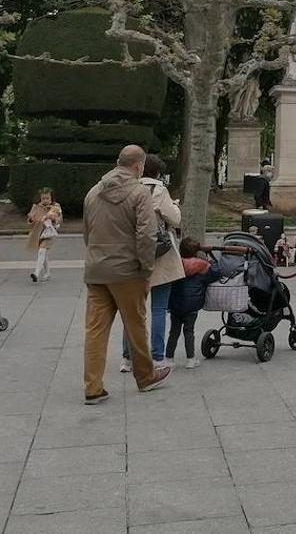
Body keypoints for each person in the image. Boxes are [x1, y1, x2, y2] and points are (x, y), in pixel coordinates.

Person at [81, 145, 172, 405]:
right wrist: (146, 268)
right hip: (128, 271)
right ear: (139, 166)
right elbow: (146, 236)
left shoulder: (93, 192)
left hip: (97, 270)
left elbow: (88, 233)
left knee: (95, 331)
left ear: (116, 162)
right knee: (135, 326)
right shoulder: (139, 193)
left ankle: (92, 387)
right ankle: (145, 377)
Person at [120, 155, 184, 373]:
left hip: (133, 252)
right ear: (158, 172)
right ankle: (157, 356)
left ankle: (127, 358)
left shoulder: (127, 188)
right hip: (159, 253)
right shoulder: (159, 190)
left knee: (133, 310)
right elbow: (174, 219)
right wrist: (175, 207)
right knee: (159, 308)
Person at [168, 237, 220, 368]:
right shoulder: (202, 266)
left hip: (175, 304)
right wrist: (211, 258)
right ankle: (190, 359)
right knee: (189, 331)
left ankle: (169, 359)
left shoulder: (175, 264)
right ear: (197, 251)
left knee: (174, 331)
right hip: (192, 305)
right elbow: (216, 273)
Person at [26, 188, 62, 282]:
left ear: (51, 198)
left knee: (42, 251)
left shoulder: (55, 206)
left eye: (47, 198)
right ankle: (47, 272)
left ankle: (36, 273)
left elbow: (59, 219)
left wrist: (53, 218)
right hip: (38, 233)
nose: (45, 200)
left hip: (49, 232)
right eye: (43, 198)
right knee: (43, 254)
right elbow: (30, 220)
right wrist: (31, 218)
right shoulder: (36, 207)